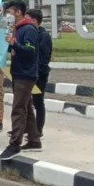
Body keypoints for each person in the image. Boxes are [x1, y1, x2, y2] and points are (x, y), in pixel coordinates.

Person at [0, 0, 42, 161]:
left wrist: (14, 43)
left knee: (18, 109)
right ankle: (34, 141)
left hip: (26, 74)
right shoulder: (16, 28)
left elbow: (30, 51)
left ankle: (14, 145)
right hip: (18, 72)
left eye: (9, 12)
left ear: (17, 12)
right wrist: (8, 43)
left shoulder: (28, 28)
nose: (7, 15)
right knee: (27, 108)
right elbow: (16, 48)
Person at [25, 9, 52, 138]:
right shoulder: (31, 33)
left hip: (39, 75)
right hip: (28, 73)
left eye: (27, 19)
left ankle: (38, 129)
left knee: (38, 102)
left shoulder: (44, 36)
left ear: (34, 21)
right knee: (26, 102)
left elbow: (43, 58)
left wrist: (36, 73)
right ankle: (28, 127)